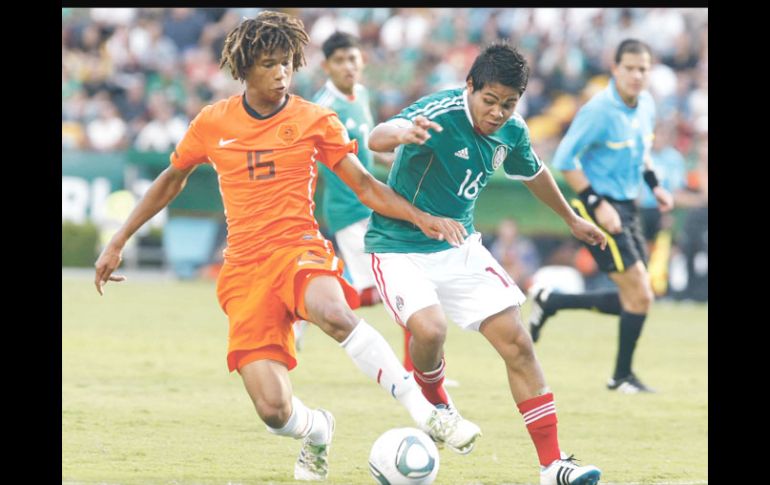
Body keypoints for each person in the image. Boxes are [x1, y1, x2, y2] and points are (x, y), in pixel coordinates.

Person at [93, 11, 480, 482]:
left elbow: (367, 188)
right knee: (274, 412)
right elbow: (171, 179)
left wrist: (421, 217)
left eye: (288, 64)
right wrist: (118, 239)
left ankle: (427, 411)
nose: (281, 74)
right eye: (270, 64)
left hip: (299, 248)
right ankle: (318, 430)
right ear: (245, 68)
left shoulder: (315, 118)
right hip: (243, 270)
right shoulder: (213, 122)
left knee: (337, 314)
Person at [365, 42, 605, 485]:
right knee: (431, 330)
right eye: (490, 100)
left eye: (508, 104)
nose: (497, 112)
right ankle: (435, 400)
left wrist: (571, 218)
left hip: (458, 244)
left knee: (517, 341)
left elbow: (533, 172)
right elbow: (377, 135)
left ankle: (553, 466)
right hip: (398, 244)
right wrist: (400, 134)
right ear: (470, 87)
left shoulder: (511, 131)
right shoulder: (438, 112)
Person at [528, 39, 674, 395]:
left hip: (629, 206)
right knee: (639, 292)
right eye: (630, 68)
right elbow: (564, 160)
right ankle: (621, 376)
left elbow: (643, 153)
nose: (637, 75)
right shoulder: (599, 110)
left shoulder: (646, 106)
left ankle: (553, 301)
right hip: (597, 207)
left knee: (639, 297)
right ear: (615, 68)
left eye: (643, 69)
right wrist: (598, 203)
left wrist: (654, 185)